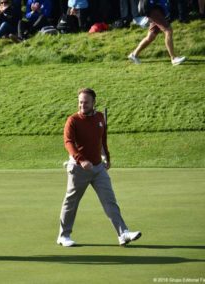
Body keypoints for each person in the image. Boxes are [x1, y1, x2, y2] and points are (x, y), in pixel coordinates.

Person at [57, 88, 141, 247]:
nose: (82, 105)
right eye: (80, 102)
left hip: (97, 168)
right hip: (78, 169)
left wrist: (106, 157)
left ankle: (123, 234)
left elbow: (102, 140)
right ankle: (63, 235)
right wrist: (81, 160)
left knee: (110, 201)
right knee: (71, 202)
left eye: (86, 102)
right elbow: (68, 143)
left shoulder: (100, 117)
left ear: (93, 103)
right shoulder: (73, 120)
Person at [128, 0, 186, 66]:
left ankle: (134, 54)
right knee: (168, 31)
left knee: (151, 36)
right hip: (154, 8)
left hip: (155, 8)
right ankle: (173, 58)